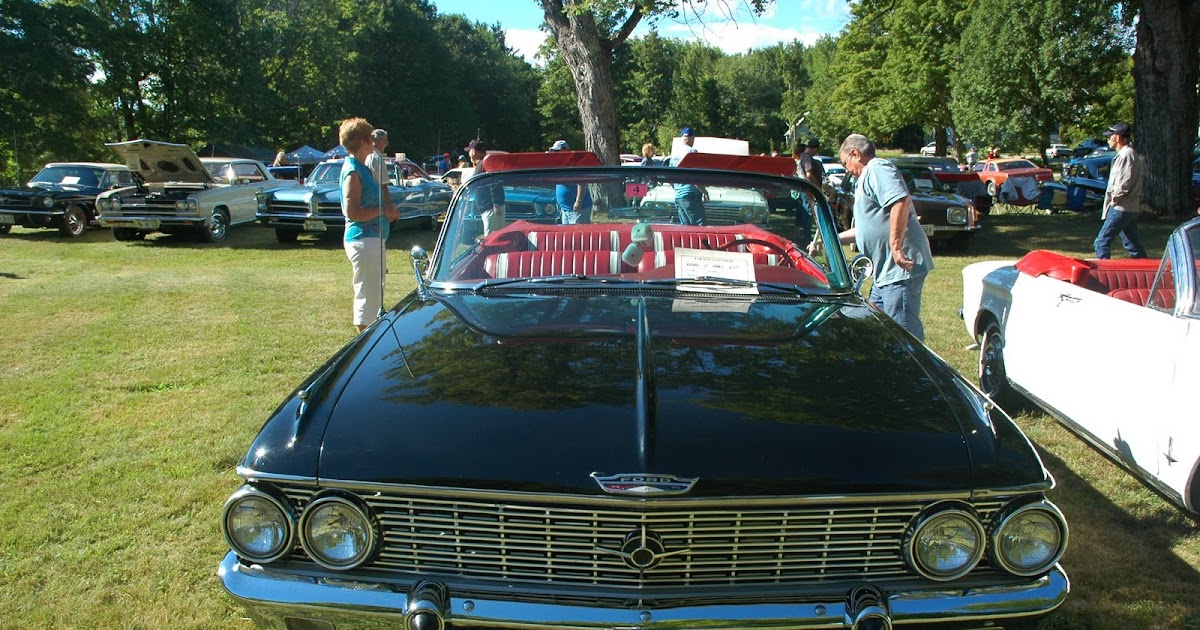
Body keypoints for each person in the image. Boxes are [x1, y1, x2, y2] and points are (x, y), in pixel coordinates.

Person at [813, 134, 934, 340]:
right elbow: (864, 230)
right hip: (883, 273)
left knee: (902, 334)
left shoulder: (876, 168)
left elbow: (900, 201)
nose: (846, 170)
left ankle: (910, 370)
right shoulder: (866, 178)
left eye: (845, 163)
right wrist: (829, 239)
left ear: (855, 154)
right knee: (874, 325)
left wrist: (896, 246)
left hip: (898, 269)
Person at [339, 118, 400, 333]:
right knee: (367, 296)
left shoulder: (361, 167)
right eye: (370, 138)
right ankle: (363, 345)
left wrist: (387, 212)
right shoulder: (353, 171)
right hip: (363, 240)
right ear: (364, 142)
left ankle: (368, 341)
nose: (373, 143)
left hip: (371, 239)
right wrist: (382, 211)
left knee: (373, 295)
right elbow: (352, 212)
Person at [1094, 122, 1147, 259]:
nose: (1108, 139)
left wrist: (1114, 200)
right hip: (1129, 207)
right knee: (1132, 245)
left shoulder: (1126, 155)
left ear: (1117, 138)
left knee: (1101, 242)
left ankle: (1104, 276)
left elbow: (1124, 183)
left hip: (1121, 206)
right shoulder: (1127, 154)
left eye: (1110, 136)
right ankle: (1149, 272)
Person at [548, 140, 592, 223]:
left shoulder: (575, 164)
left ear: (565, 150)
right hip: (564, 209)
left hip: (578, 208)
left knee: (578, 234)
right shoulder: (559, 165)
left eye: (557, 151)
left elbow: (582, 183)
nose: (555, 153)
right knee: (566, 233)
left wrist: (578, 201)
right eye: (554, 151)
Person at [466, 138, 505, 233]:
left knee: (492, 239)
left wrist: (496, 204)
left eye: (470, 150)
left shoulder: (485, 164)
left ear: (473, 151)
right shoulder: (483, 163)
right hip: (489, 207)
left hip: (491, 208)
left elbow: (493, 182)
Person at [669, 127, 706, 225]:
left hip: (678, 196)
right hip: (691, 195)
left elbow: (670, 177)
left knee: (685, 227)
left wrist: (677, 189)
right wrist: (704, 191)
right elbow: (694, 176)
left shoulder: (674, 154)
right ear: (692, 138)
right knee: (699, 225)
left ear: (682, 138)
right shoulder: (692, 152)